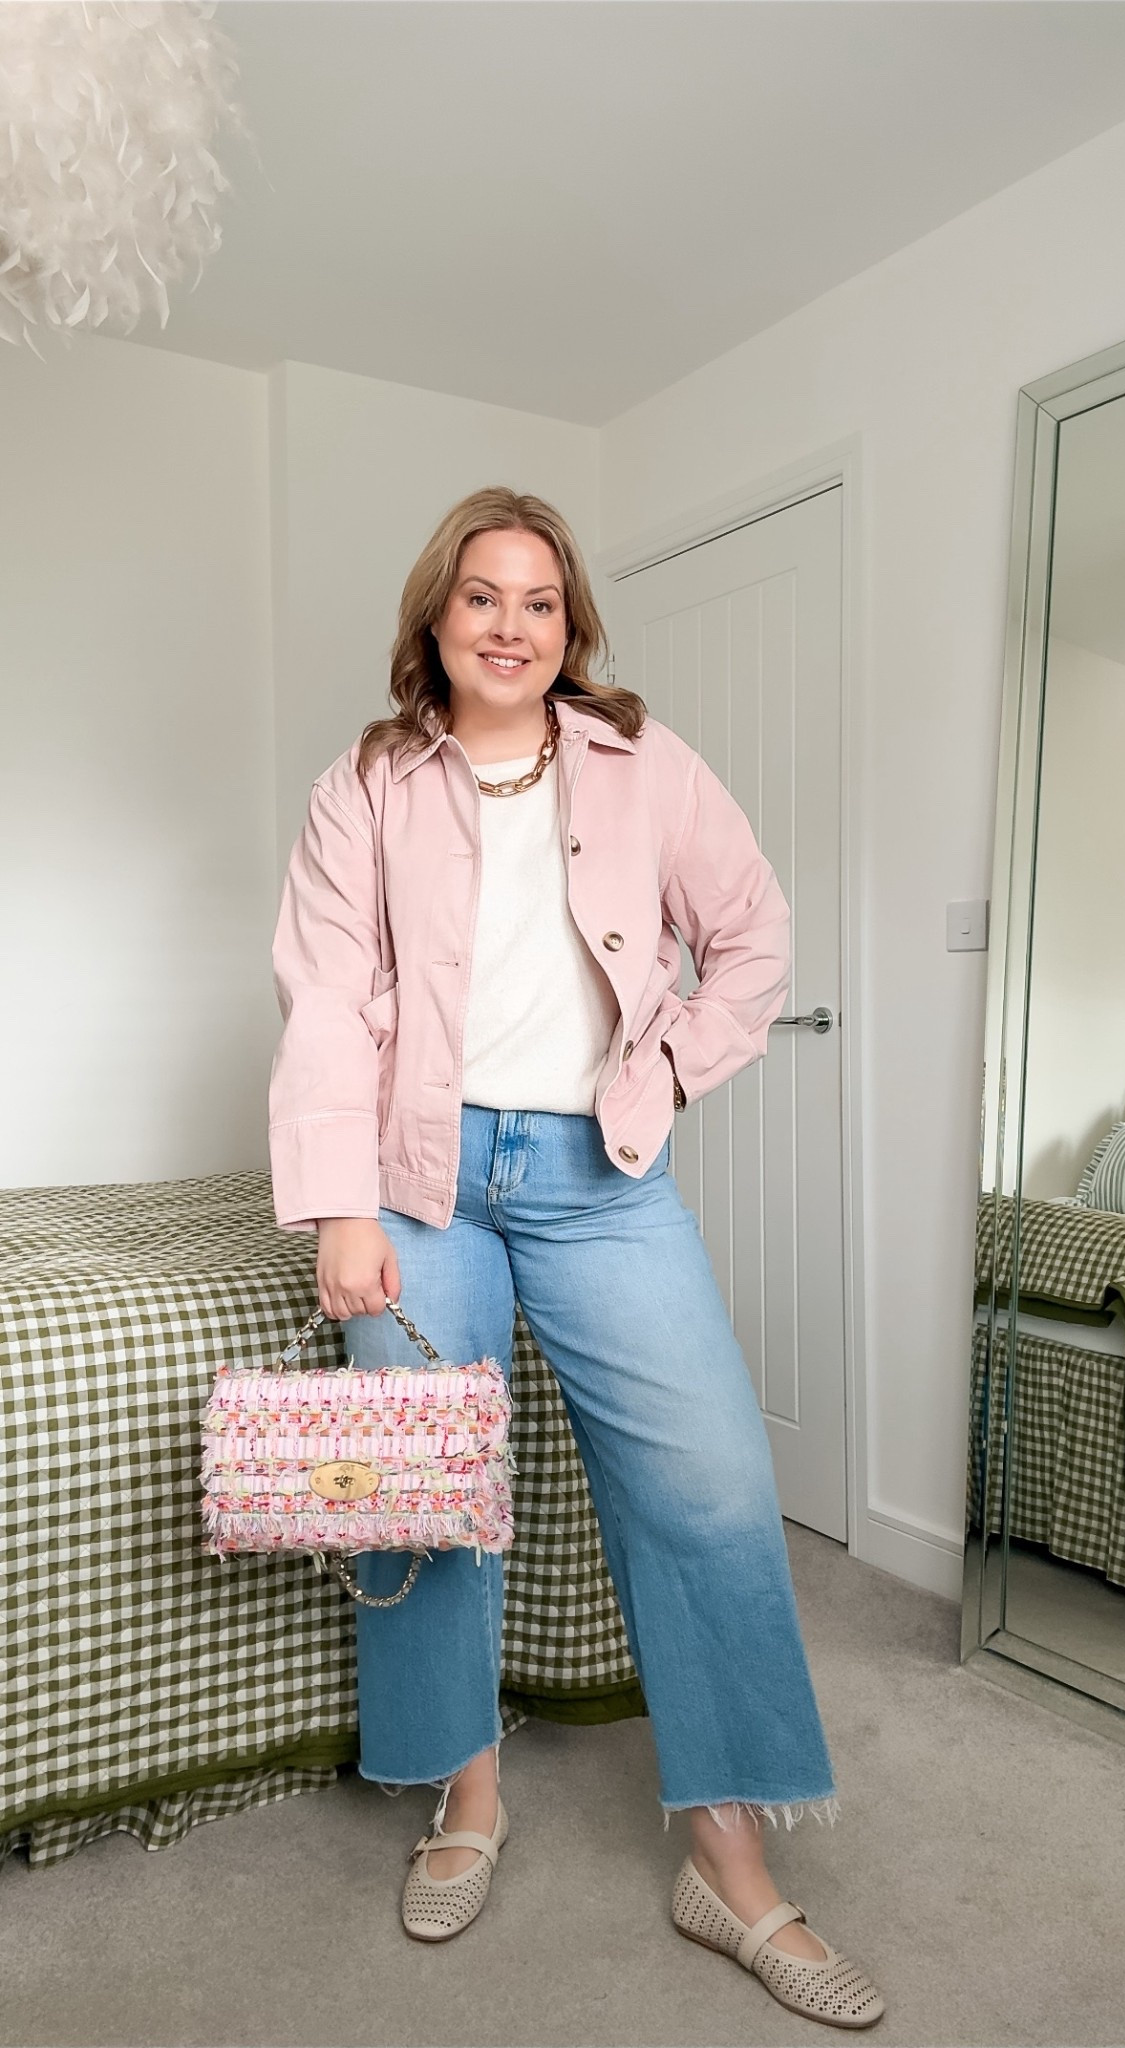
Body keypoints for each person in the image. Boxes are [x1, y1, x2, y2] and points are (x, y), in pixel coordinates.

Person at [268, 486, 884, 2028]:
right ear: (437, 616)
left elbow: (751, 942)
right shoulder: (370, 782)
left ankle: (726, 1856)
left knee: (715, 1483)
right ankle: (467, 1799)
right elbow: (330, 993)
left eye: (540, 602)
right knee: (425, 1490)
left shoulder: (645, 763)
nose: (510, 624)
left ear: (571, 627)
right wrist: (343, 1201)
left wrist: (663, 1072)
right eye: (482, 596)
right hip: (420, 1179)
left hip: (598, 1177)